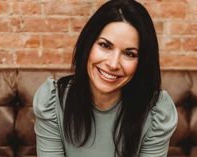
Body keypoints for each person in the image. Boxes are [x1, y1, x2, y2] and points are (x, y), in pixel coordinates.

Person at [33, 0, 178, 157]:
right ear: (88, 44)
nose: (113, 64)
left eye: (129, 54)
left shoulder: (157, 113)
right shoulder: (52, 103)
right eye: (105, 46)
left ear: (142, 62)